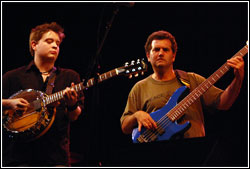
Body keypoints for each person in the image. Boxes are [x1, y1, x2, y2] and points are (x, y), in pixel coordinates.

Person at [120, 30, 244, 140]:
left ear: (173, 56)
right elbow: (125, 127)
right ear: (148, 56)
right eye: (156, 49)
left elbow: (224, 103)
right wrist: (137, 115)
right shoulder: (139, 88)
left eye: (166, 49)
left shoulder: (191, 79)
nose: (161, 53)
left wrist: (238, 79)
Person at [2, 22, 84, 166]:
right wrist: (8, 103)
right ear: (34, 45)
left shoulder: (70, 77)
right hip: (18, 158)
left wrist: (72, 104)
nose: (55, 46)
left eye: (57, 43)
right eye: (49, 41)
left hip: (56, 158)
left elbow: (74, 116)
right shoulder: (13, 77)